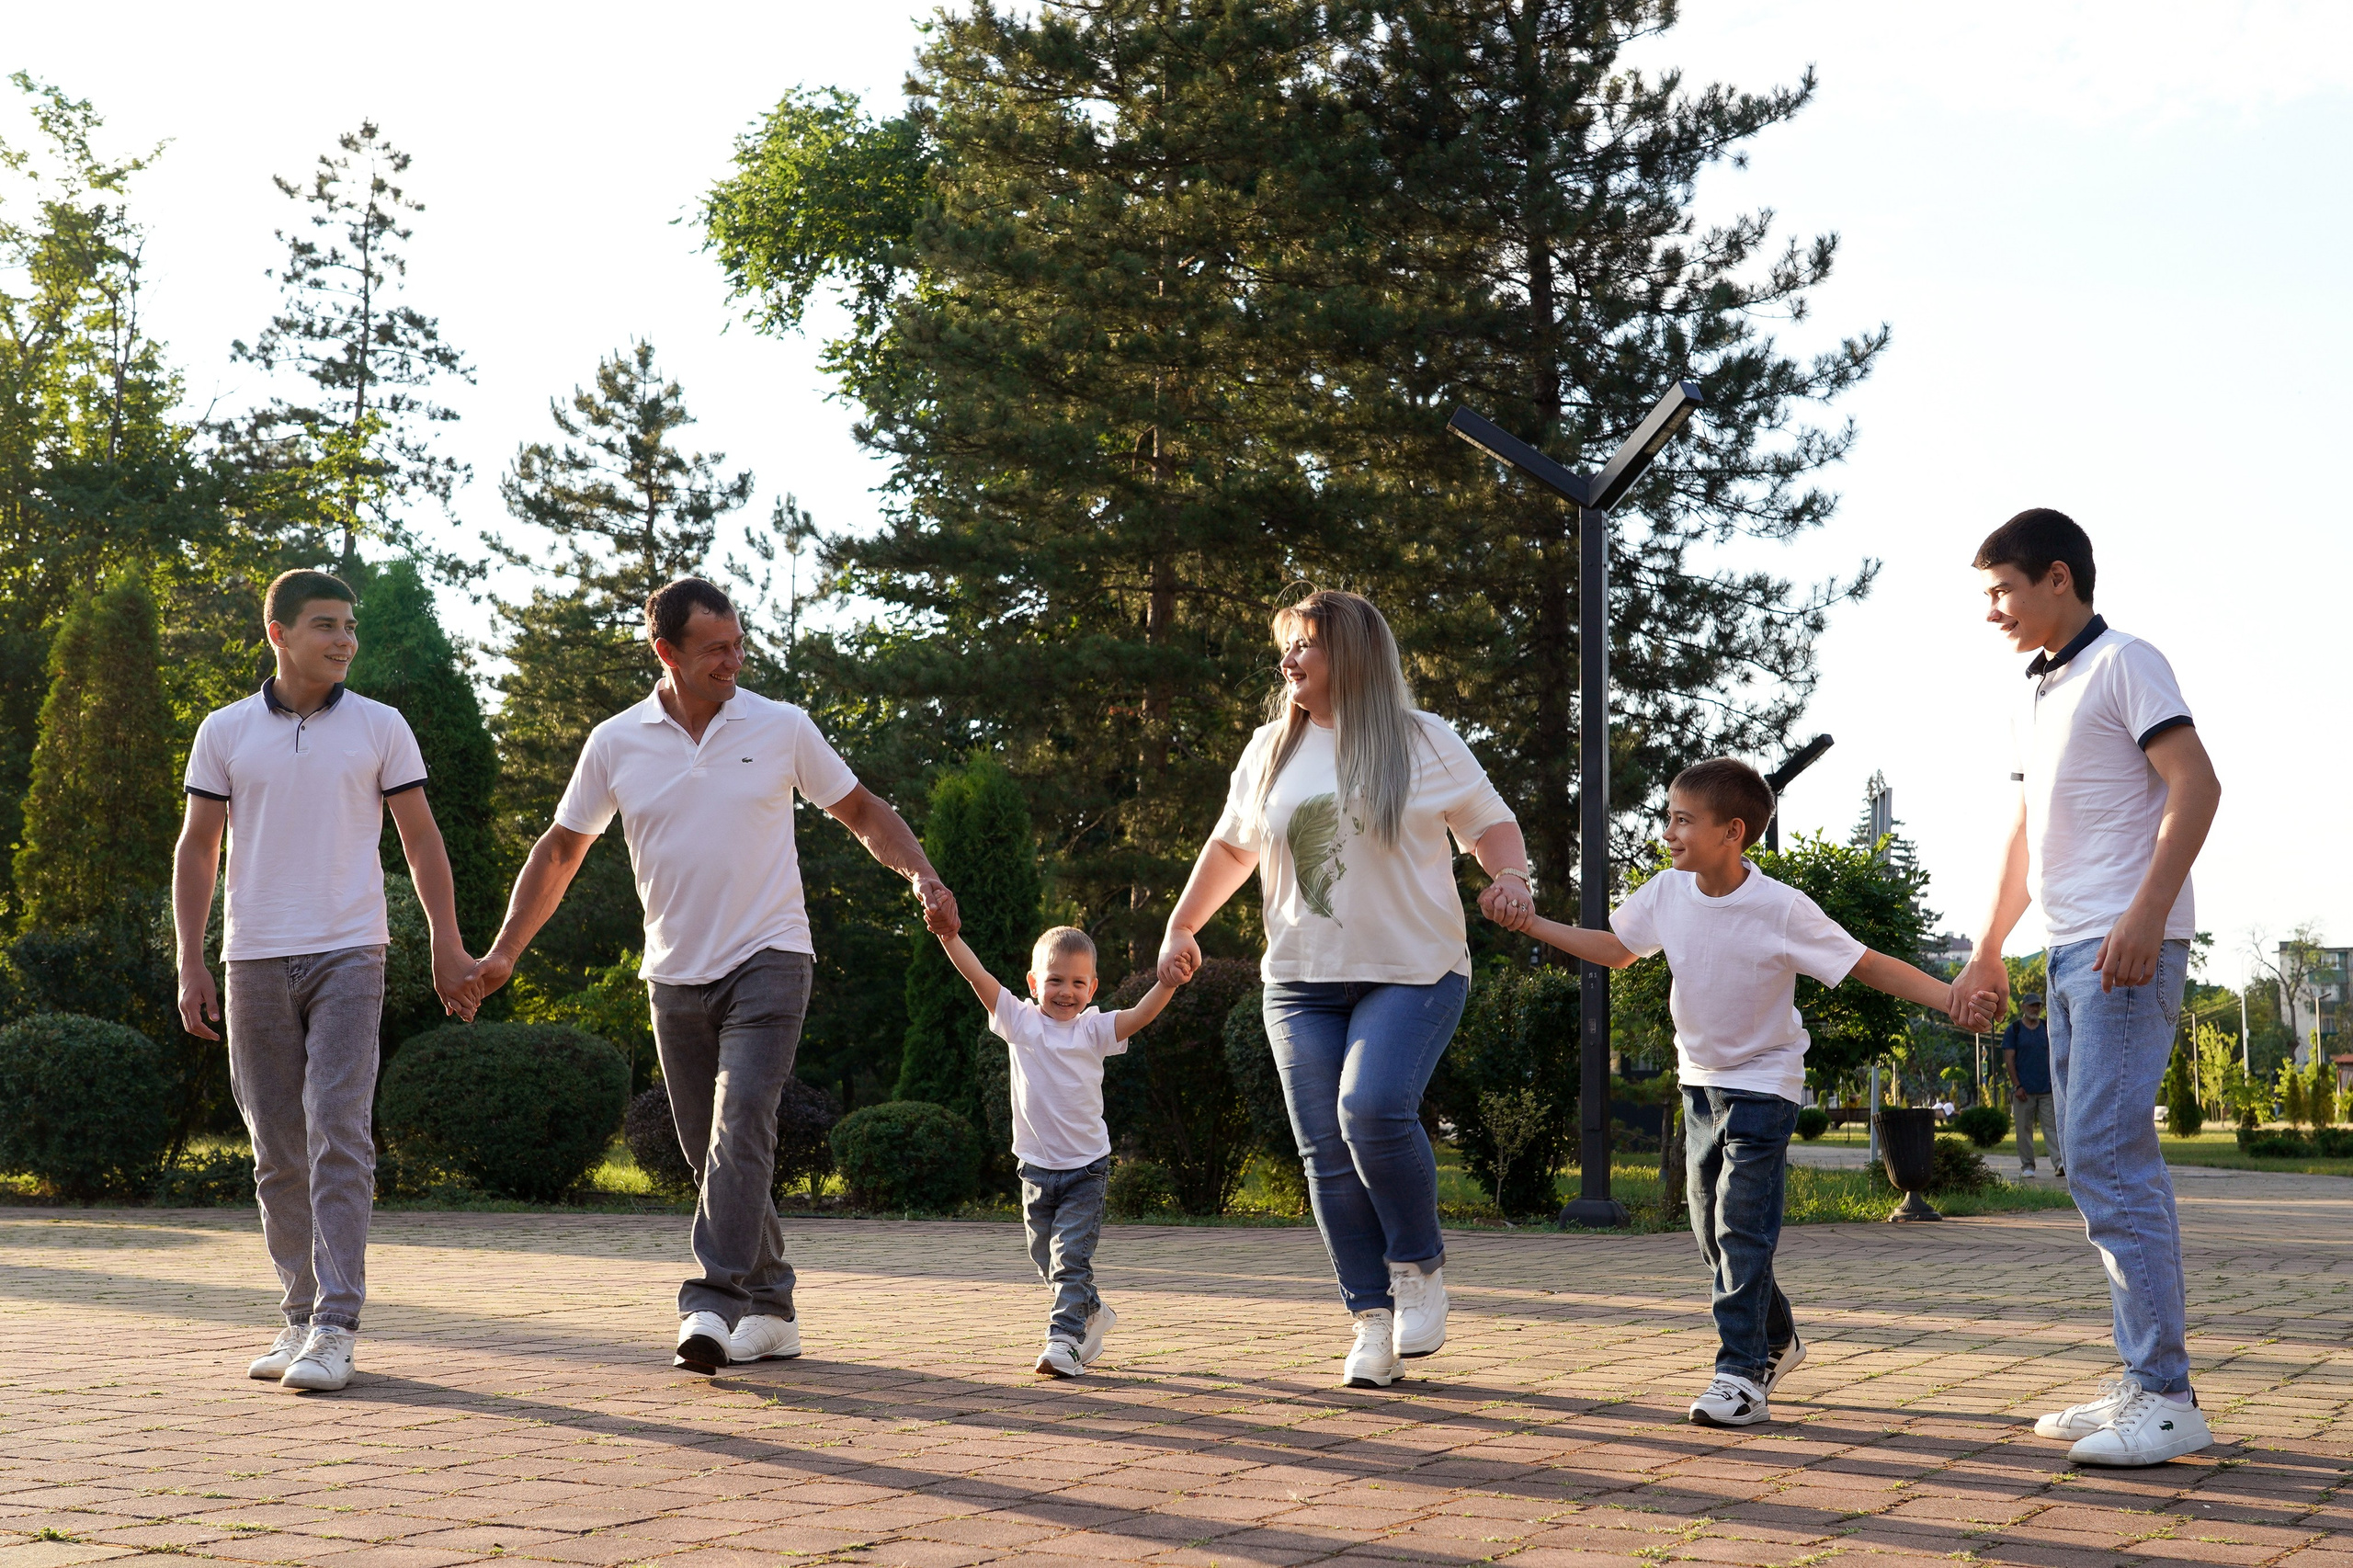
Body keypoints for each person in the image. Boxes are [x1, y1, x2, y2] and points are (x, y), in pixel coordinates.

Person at [455, 577, 959, 1374]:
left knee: (741, 1124)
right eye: (715, 648)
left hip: (771, 955)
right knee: (707, 1151)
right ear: (667, 653)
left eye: (737, 642)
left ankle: (712, 1301)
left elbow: (862, 810)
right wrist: (504, 953)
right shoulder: (618, 742)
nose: (735, 658)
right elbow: (559, 852)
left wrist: (921, 875)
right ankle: (773, 1305)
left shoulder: (781, 725)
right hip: (675, 975)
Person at [1491, 756, 1993, 1426]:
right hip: (1699, 1085)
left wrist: (1950, 996)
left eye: (1682, 820)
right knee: (1713, 1237)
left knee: (1741, 1229)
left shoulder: (1780, 908)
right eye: (1668, 817)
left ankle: (1740, 1372)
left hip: (1765, 1087)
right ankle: (1778, 1338)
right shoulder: (1667, 893)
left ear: (1732, 831)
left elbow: (1865, 963)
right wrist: (1534, 925)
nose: (1667, 831)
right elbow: (1615, 948)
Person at [1158, 590, 1530, 1390]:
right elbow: (1232, 848)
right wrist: (1182, 925)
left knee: (1370, 1110)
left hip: (1415, 972)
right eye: (1286, 646)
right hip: (1297, 981)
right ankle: (1370, 1322)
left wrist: (1512, 876)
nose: (1287, 661)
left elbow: (1489, 822)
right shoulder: (1270, 749)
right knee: (1324, 1152)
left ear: (1352, 656)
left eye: (1304, 646)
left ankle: (1419, 1268)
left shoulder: (1424, 742)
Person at [1952, 508, 2222, 1467]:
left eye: (2001, 590)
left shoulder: (2127, 662)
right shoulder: (2040, 691)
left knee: (2109, 1154)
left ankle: (2164, 1393)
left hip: (2121, 942)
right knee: (2088, 1157)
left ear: (2056, 577)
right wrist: (1989, 945)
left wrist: (2147, 912)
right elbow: (2028, 834)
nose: (1991, 610)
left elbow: (2196, 784)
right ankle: (2141, 1375)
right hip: (2067, 948)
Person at [174, 569, 476, 1394]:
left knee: (337, 1131)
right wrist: (189, 958)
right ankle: (299, 1312)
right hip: (253, 956)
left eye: (348, 625)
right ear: (278, 634)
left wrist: (448, 948)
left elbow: (420, 842)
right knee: (275, 1147)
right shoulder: (225, 731)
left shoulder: (381, 727)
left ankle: (337, 1325)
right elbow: (199, 847)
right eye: (324, 625)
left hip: (352, 951)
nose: (343, 639)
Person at [937, 923, 1179, 1377]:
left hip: (1086, 1170)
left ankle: (1064, 1341)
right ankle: (1092, 1310)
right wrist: (949, 936)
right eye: (1054, 980)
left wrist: (1165, 983)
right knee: (1044, 1258)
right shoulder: (1020, 1019)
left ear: (1092, 987)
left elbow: (1140, 1015)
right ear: (1033, 983)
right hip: (1035, 1169)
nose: (1065, 992)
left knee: (1070, 1259)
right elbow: (977, 976)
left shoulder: (1093, 1029)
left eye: (1076, 982)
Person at [2003, 994, 2062, 1177]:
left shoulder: (2046, 1027)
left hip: (2047, 1088)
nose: (2035, 1009)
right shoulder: (2014, 1030)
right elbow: (2009, 1059)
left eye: (2037, 1006)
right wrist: (2017, 1085)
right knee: (2023, 1129)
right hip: (2023, 1090)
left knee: (2052, 1127)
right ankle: (2027, 1165)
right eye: (2031, 1005)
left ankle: (2059, 1163)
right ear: (2023, 1007)